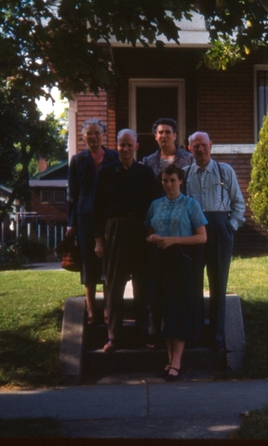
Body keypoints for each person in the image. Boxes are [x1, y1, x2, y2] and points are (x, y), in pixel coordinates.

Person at [92, 129, 158, 352]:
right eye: (122, 145)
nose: (126, 149)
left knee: (144, 283)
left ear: (137, 146)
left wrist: (150, 231)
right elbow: (97, 209)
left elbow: (154, 207)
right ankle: (114, 337)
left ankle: (146, 333)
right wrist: (99, 240)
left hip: (140, 230)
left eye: (130, 145)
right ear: (116, 146)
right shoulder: (106, 173)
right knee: (114, 284)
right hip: (114, 230)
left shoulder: (146, 173)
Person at [145, 163, 207, 381]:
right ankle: (169, 359)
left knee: (178, 308)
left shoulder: (191, 205)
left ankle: (177, 361)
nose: (169, 184)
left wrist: (173, 240)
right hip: (159, 260)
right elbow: (149, 232)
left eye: (172, 180)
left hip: (181, 260)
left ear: (180, 181)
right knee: (163, 308)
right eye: (165, 181)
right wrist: (151, 238)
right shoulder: (155, 205)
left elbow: (202, 237)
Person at [183, 131, 245, 351]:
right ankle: (196, 330)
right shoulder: (185, 174)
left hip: (220, 227)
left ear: (211, 145)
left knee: (218, 282)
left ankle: (218, 334)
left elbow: (238, 203)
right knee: (194, 282)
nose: (200, 149)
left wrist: (231, 226)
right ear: (189, 148)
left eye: (203, 144)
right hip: (194, 231)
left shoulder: (224, 170)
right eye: (195, 146)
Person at [66, 119, 119, 325]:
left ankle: (107, 308)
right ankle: (90, 309)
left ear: (103, 134)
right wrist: (71, 222)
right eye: (89, 134)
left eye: (97, 133)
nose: (93, 137)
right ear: (83, 136)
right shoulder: (77, 160)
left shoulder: (113, 157)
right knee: (88, 263)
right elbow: (72, 193)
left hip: (109, 217)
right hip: (85, 218)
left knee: (108, 263)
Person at [141, 118, 193, 183]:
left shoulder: (190, 159)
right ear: (156, 136)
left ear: (175, 136)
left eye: (168, 132)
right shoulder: (148, 161)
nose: (164, 136)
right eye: (161, 132)